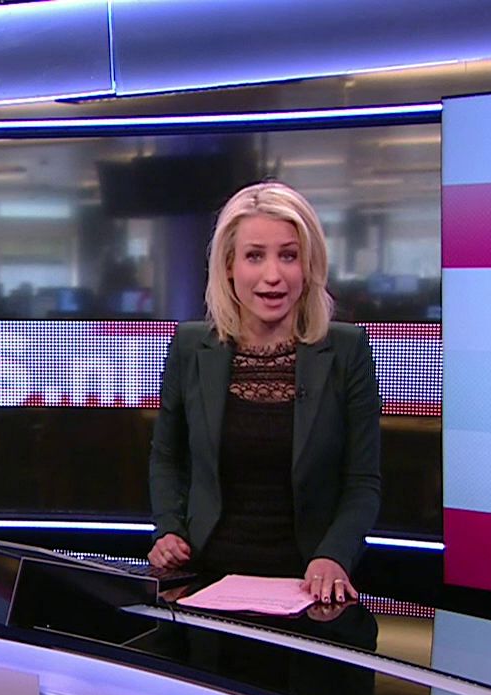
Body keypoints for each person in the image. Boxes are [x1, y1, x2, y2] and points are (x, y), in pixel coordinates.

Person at [148, 181, 383, 603]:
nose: (272, 275)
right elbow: (167, 457)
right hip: (205, 579)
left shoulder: (347, 351)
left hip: (308, 586)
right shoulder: (189, 346)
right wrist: (168, 529)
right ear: (228, 266)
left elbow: (362, 480)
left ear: (308, 265)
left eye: (288, 256)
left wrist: (334, 555)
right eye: (255, 256)